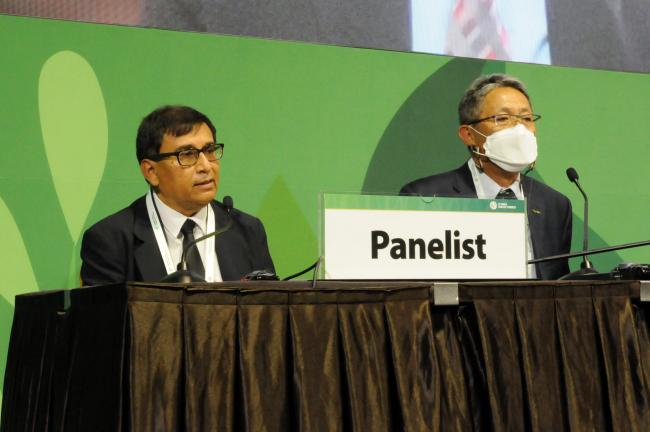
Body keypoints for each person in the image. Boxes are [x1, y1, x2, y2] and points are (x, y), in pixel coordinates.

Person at [400, 74, 571, 279]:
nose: (519, 129)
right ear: (468, 134)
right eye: (502, 118)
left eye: (526, 118)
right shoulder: (425, 198)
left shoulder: (554, 206)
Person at [81, 105, 274, 285]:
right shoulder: (110, 241)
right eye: (187, 155)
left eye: (209, 150)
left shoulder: (247, 231)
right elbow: (106, 321)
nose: (206, 166)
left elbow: (270, 315)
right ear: (151, 172)